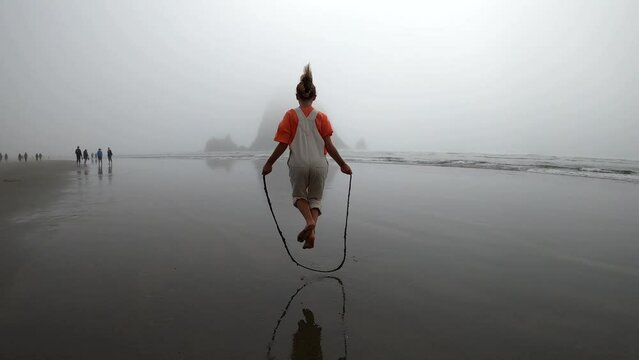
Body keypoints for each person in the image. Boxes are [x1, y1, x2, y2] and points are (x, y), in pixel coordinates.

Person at [262, 64, 352, 249]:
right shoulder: (322, 117)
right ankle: (312, 229)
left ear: (297, 96)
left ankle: (309, 224)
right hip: (319, 165)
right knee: (316, 200)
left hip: (298, 165)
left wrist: (269, 163)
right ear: (314, 97)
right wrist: (343, 165)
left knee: (299, 198)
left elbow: (283, 144)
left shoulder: (290, 116)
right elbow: (329, 145)